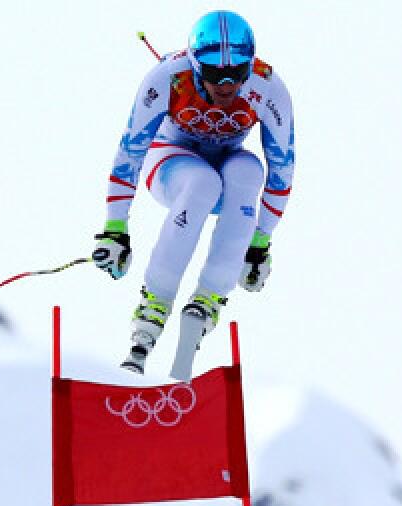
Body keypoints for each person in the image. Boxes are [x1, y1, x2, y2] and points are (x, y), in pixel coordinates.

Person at [91, 10, 295, 374]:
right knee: (202, 182)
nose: (227, 85)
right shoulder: (167, 78)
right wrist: (115, 228)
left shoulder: (269, 88)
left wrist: (260, 241)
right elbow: (130, 153)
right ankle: (153, 308)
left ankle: (208, 298)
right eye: (215, 74)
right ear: (196, 64)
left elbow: (282, 169)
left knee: (250, 170)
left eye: (237, 73)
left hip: (229, 162)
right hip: (171, 162)